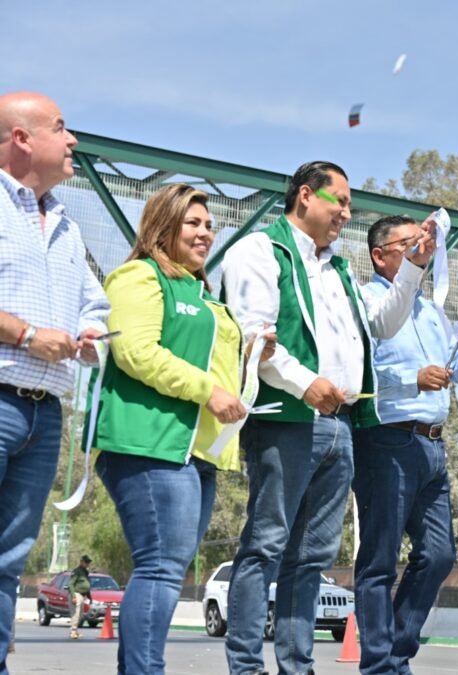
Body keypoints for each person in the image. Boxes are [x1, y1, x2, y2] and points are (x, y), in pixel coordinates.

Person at [221, 161, 432, 675]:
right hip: (287, 418)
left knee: (312, 556)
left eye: (349, 205)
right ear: (304, 196)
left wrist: (412, 268)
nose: (346, 213)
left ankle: (296, 665)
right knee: (266, 545)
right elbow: (254, 336)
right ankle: (246, 666)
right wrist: (305, 383)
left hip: (340, 425)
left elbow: (381, 324)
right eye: (340, 201)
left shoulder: (338, 269)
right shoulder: (260, 250)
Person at [92, 183, 273, 674]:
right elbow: (135, 351)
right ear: (162, 225)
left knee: (166, 570)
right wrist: (208, 390)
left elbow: (211, 364)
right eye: (192, 223)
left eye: (209, 225)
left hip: (199, 455)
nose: (205, 233)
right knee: (159, 567)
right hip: (151, 444)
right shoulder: (139, 276)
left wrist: (250, 357)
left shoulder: (203, 295)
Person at [354, 214, 458, 674]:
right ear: (379, 256)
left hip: (433, 447)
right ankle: (381, 665)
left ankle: (395, 654)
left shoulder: (431, 310)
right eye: (408, 244)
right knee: (379, 559)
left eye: (423, 243)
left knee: (439, 555)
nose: (421, 249)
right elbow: (358, 372)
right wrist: (410, 379)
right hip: (387, 439)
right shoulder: (365, 301)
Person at [0, 91, 109, 667]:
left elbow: (96, 301)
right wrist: (24, 335)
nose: (73, 140)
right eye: (62, 128)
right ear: (22, 138)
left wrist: (91, 332)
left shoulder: (65, 223)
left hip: (45, 414)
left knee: (8, 560)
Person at [68, 555, 92, 640]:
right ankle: (73, 631)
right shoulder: (77, 571)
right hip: (76, 594)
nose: (87, 564)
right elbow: (70, 584)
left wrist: (89, 597)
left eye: (88, 562)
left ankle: (75, 631)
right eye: (86, 562)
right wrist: (73, 596)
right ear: (81, 562)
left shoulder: (85, 572)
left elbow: (87, 586)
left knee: (80, 615)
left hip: (82, 595)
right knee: (76, 613)